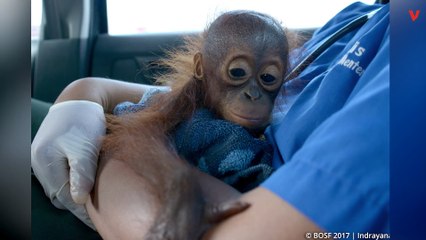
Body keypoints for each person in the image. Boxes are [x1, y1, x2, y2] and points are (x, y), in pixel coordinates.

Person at [31, 2, 389, 239]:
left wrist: (116, 152)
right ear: (204, 69)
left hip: (163, 209)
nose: (253, 94)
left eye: (267, 80)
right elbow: (178, 101)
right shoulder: (358, 15)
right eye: (238, 73)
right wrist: (86, 92)